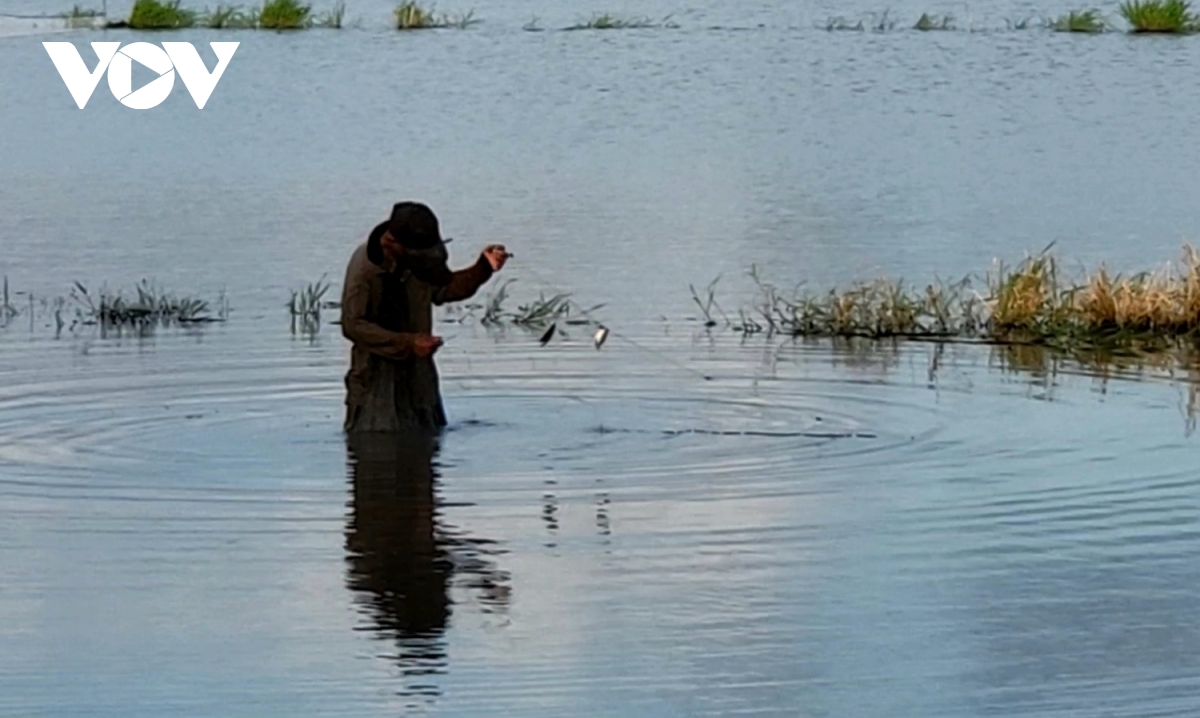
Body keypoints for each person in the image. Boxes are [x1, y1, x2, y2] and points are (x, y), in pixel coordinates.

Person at [340, 202, 508, 433]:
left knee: (426, 447)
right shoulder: (365, 269)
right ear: (390, 243)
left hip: (419, 381)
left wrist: (483, 268)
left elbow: (445, 288)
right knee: (378, 448)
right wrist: (409, 343)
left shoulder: (418, 260)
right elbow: (353, 325)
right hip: (375, 385)